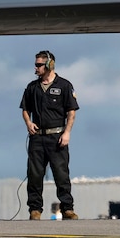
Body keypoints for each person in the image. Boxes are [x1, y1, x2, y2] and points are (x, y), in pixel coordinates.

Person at [21, 51, 79, 220]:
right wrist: (28, 123)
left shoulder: (64, 86)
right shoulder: (32, 87)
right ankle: (35, 209)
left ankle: (67, 208)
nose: (36, 68)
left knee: (61, 174)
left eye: (39, 65)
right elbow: (25, 109)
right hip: (37, 137)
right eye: (36, 64)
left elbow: (71, 112)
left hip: (57, 137)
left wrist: (67, 133)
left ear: (49, 65)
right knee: (34, 174)